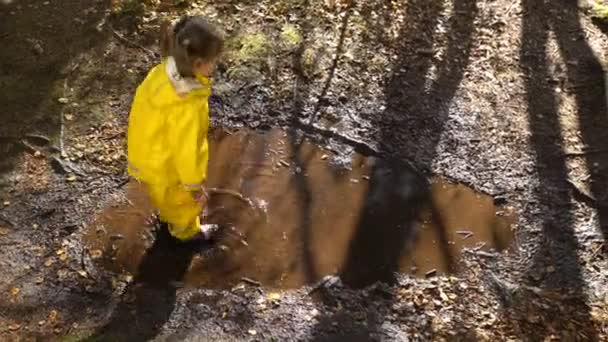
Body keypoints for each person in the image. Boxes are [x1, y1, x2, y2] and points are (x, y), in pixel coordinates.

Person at [127, 15, 223, 242]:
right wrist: (194, 186)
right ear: (198, 64)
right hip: (168, 167)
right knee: (183, 204)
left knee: (165, 196)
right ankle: (185, 233)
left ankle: (167, 214)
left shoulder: (162, 73)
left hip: (147, 153)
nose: (216, 66)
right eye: (214, 61)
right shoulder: (187, 105)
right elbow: (186, 152)